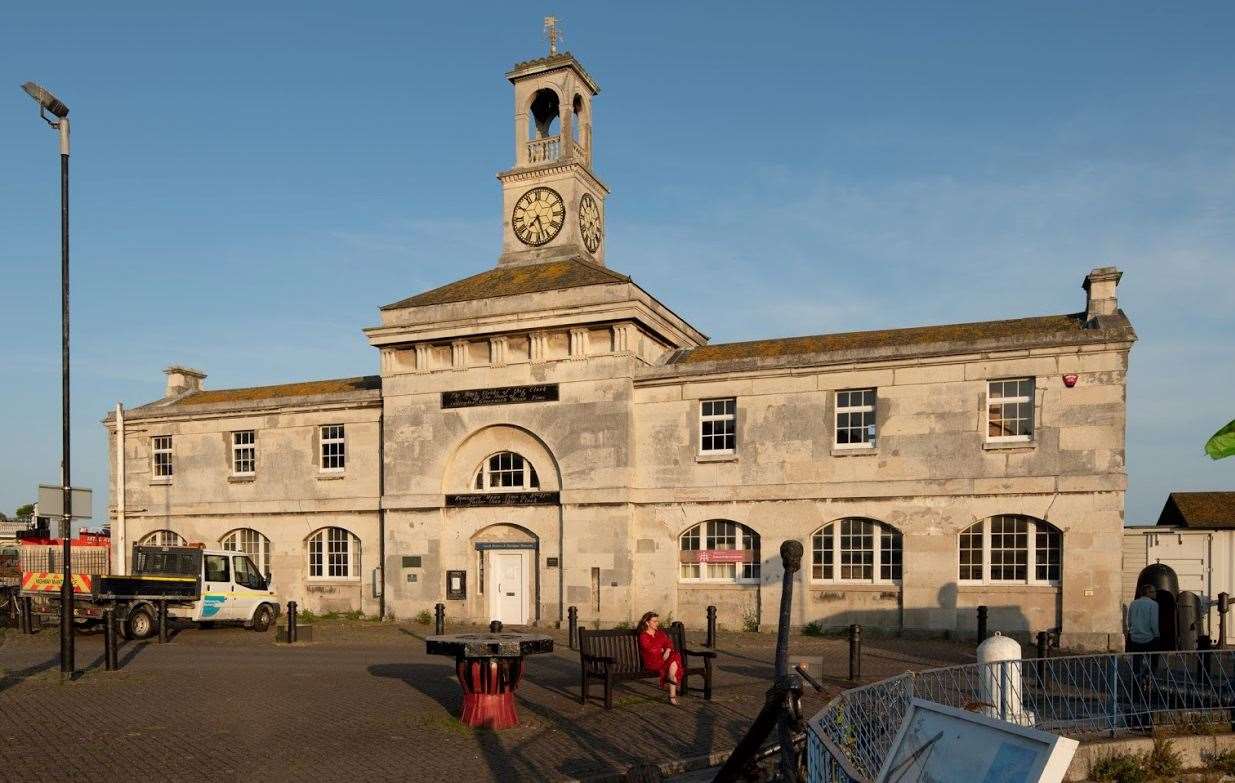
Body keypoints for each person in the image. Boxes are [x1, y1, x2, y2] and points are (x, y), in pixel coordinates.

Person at [637, 611, 684, 705]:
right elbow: (650, 649)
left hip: (664, 659)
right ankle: (672, 685)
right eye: (654, 621)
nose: (657, 623)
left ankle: (671, 687)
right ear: (647, 622)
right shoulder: (643, 636)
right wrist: (661, 649)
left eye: (657, 621)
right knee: (674, 659)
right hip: (652, 661)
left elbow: (669, 643)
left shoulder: (660, 633)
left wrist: (667, 650)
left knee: (675, 655)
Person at [1127, 583, 1160, 677]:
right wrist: (1157, 635)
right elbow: (1153, 622)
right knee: (1153, 661)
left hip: (1135, 638)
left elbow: (1129, 620)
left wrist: (1132, 630)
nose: (1155, 593)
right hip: (1149, 638)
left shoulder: (1133, 603)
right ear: (1148, 592)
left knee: (1136, 661)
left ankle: (1136, 681)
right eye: (1153, 591)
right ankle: (1149, 678)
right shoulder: (1153, 604)